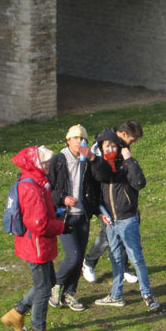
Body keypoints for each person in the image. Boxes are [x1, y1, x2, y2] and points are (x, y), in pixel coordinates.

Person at [0, 146, 69, 331]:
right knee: (42, 288)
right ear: (36, 163)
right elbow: (39, 224)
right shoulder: (31, 187)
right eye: (46, 162)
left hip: (36, 244)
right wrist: (63, 226)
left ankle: (16, 313)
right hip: (36, 245)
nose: (49, 165)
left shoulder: (37, 181)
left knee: (48, 282)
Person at [91, 129, 160, 311]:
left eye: (113, 145)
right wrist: (99, 212)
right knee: (115, 259)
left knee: (136, 258)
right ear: (101, 148)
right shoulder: (99, 168)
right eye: (107, 146)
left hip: (127, 218)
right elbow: (94, 193)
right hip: (110, 221)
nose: (110, 149)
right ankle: (116, 294)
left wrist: (128, 159)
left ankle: (147, 294)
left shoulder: (126, 164)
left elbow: (139, 183)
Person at [82, 120, 143, 284]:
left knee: (123, 234)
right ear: (123, 134)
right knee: (107, 237)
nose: (134, 143)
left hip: (120, 198)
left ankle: (123, 268)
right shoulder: (103, 147)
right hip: (105, 200)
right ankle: (89, 261)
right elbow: (98, 177)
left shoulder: (122, 146)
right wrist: (99, 207)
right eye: (133, 139)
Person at [47, 124, 100, 312]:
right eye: (76, 138)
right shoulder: (58, 160)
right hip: (65, 217)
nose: (79, 142)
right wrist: (62, 198)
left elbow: (95, 187)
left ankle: (70, 293)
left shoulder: (87, 161)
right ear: (68, 140)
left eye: (82, 139)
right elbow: (48, 189)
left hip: (82, 216)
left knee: (78, 259)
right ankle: (56, 285)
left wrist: (97, 209)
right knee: (73, 256)